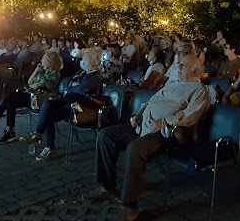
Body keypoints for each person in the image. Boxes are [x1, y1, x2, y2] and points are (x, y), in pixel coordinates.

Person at [84, 55, 210, 220]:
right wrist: (139, 114)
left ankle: (130, 207)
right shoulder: (173, 83)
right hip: (143, 124)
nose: (178, 67)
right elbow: (153, 101)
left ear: (195, 70)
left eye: (182, 65)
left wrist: (164, 122)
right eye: (178, 64)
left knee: (136, 148)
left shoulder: (199, 90)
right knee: (105, 135)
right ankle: (107, 186)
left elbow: (190, 115)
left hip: (166, 133)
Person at [31, 46, 104, 160]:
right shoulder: (82, 72)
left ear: (89, 61)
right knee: (48, 106)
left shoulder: (96, 76)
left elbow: (82, 89)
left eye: (83, 59)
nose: (82, 62)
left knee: (48, 112)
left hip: (82, 107)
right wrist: (73, 85)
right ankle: (41, 138)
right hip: (71, 100)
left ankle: (44, 142)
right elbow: (65, 81)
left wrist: (73, 86)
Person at [0, 51, 63, 143]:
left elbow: (37, 85)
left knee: (10, 96)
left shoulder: (55, 73)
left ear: (49, 60)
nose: (41, 60)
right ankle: (9, 131)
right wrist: (36, 71)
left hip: (39, 98)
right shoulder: (43, 71)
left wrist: (30, 86)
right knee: (11, 102)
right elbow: (30, 82)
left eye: (43, 58)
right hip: (32, 95)